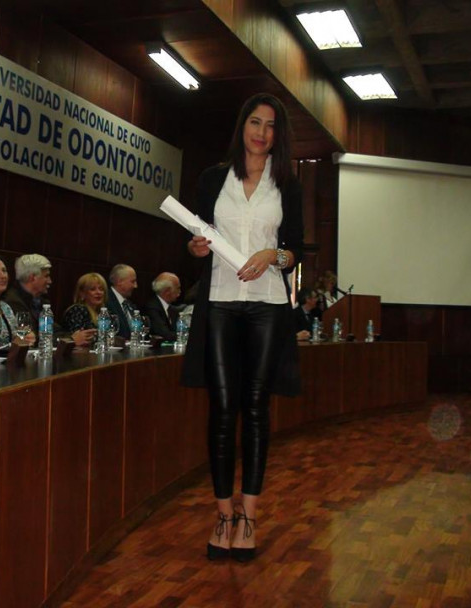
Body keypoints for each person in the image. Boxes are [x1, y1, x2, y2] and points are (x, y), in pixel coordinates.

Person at [181, 93, 304, 562]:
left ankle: (249, 515)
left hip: (269, 304)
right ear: (242, 126)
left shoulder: (287, 184)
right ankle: (222, 514)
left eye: (271, 126)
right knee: (222, 407)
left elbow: (295, 250)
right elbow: (198, 240)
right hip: (220, 302)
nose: (261, 132)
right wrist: (195, 248)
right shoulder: (214, 178)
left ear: (278, 136)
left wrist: (274, 255)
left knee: (255, 408)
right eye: (255, 122)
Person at [2, 253, 92, 347]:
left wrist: (75, 336)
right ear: (33, 278)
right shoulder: (13, 302)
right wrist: (71, 340)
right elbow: (32, 339)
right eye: (46, 276)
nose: (50, 281)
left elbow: (54, 330)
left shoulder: (41, 301)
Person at [62, 272, 105, 341]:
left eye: (101, 289)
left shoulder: (103, 313)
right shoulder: (77, 310)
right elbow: (78, 337)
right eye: (93, 289)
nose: (98, 292)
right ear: (82, 293)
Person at [144, 272, 181, 342]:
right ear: (167, 291)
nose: (180, 291)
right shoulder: (152, 308)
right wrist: (186, 336)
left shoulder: (172, 309)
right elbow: (164, 334)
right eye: (178, 288)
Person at [106, 263, 138, 339]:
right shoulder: (106, 300)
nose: (135, 286)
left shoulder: (130, 305)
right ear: (119, 281)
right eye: (132, 281)